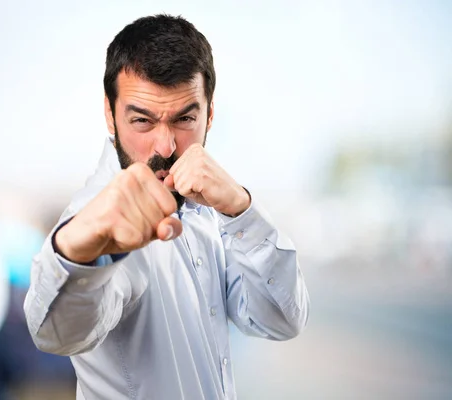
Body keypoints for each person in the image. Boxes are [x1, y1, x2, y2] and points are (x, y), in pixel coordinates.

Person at [24, 14, 310, 400]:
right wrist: (76, 252)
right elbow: (58, 333)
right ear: (110, 114)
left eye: (184, 119)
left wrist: (240, 208)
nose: (165, 146)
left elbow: (281, 319)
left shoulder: (206, 208)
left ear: (209, 114)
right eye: (142, 120)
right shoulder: (97, 213)